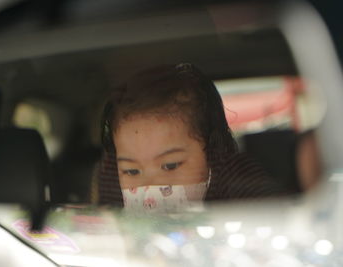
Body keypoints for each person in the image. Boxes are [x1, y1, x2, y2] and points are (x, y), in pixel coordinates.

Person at [97, 63, 284, 212]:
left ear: (211, 151)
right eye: (131, 171)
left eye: (170, 166)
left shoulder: (239, 181)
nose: (149, 188)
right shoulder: (112, 183)